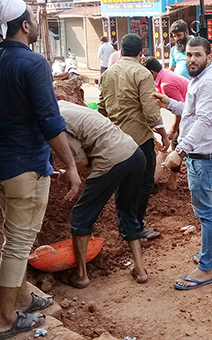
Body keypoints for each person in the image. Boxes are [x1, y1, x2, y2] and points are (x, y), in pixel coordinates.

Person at [0, 0, 81, 340]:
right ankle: (4, 320)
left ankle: (25, 298)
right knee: (17, 242)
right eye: (33, 19)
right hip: (25, 166)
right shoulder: (33, 64)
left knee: (15, 237)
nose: (36, 24)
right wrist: (69, 164)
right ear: (25, 25)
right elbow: (48, 119)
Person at [152, 37, 212, 290]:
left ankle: (205, 269)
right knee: (210, 209)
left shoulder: (208, 82)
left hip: (203, 157)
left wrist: (179, 152)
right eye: (189, 55)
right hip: (203, 154)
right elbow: (192, 111)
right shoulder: (199, 79)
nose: (192, 59)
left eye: (197, 55)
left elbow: (203, 121)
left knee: (206, 213)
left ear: (209, 56)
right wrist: (170, 103)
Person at [58, 100, 148, 287]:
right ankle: (140, 270)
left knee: (80, 216)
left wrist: (66, 174)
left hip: (111, 159)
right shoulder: (62, 104)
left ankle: (81, 276)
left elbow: (80, 161)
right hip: (134, 153)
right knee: (127, 211)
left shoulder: (54, 122)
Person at [99, 33, 169, 241]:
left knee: (122, 184)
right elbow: (150, 110)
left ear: (120, 52)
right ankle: (135, 227)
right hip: (139, 139)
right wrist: (164, 135)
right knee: (144, 183)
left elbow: (102, 108)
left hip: (115, 139)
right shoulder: (142, 73)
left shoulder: (108, 74)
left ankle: (125, 227)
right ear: (141, 54)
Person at [143, 57, 189, 191]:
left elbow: (181, 111)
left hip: (192, 115)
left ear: (151, 73)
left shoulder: (166, 84)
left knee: (177, 144)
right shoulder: (164, 77)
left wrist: (173, 130)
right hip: (191, 111)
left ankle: (172, 182)